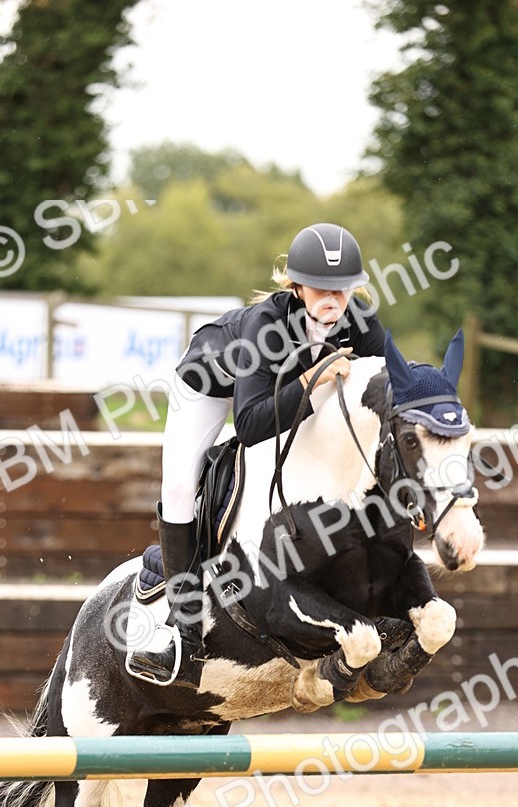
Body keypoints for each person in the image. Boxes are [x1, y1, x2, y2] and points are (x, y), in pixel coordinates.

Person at [128, 222, 388, 687]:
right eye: (321, 288)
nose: (333, 299)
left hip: (284, 391)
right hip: (210, 384)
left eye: (342, 290)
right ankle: (183, 635)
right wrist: (314, 379)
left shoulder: (361, 321)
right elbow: (248, 426)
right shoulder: (263, 326)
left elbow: (394, 379)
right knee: (180, 485)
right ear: (297, 285)